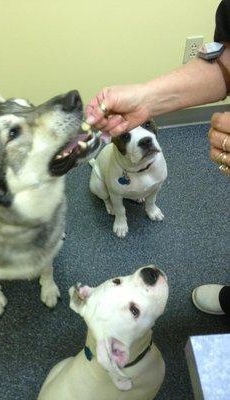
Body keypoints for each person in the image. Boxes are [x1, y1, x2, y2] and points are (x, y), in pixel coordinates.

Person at [85, 0, 229, 316]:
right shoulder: (112, 157)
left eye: (146, 127)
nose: (144, 137)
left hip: (147, 175)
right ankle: (117, 207)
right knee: (104, 188)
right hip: (117, 180)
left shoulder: (158, 164)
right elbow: (225, 62)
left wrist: (150, 203)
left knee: (151, 190)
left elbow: (156, 183)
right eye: (127, 135)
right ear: (114, 142)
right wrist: (117, 212)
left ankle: (145, 205)